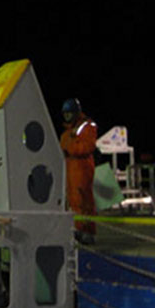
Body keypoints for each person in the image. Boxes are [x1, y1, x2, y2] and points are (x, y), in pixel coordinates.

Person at [60, 98, 98, 244]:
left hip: (82, 169)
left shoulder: (87, 126)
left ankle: (86, 232)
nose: (67, 116)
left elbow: (87, 146)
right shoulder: (67, 132)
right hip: (70, 168)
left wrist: (69, 148)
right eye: (65, 114)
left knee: (84, 202)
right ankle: (77, 231)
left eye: (69, 113)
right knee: (73, 201)